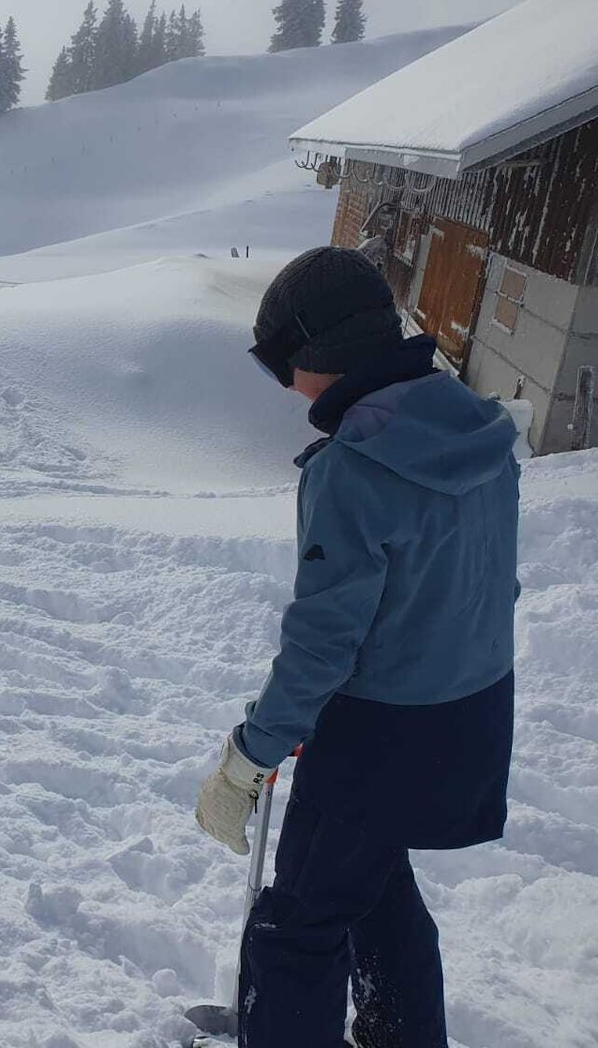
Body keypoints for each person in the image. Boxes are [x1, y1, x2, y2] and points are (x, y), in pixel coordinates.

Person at [194, 247, 519, 1048]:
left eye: (284, 366)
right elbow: (488, 588)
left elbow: (321, 644)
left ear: (321, 352)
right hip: (468, 721)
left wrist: (248, 757)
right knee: (375, 892)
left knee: (298, 922)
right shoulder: (473, 426)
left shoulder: (353, 465)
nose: (288, 390)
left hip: (375, 735)